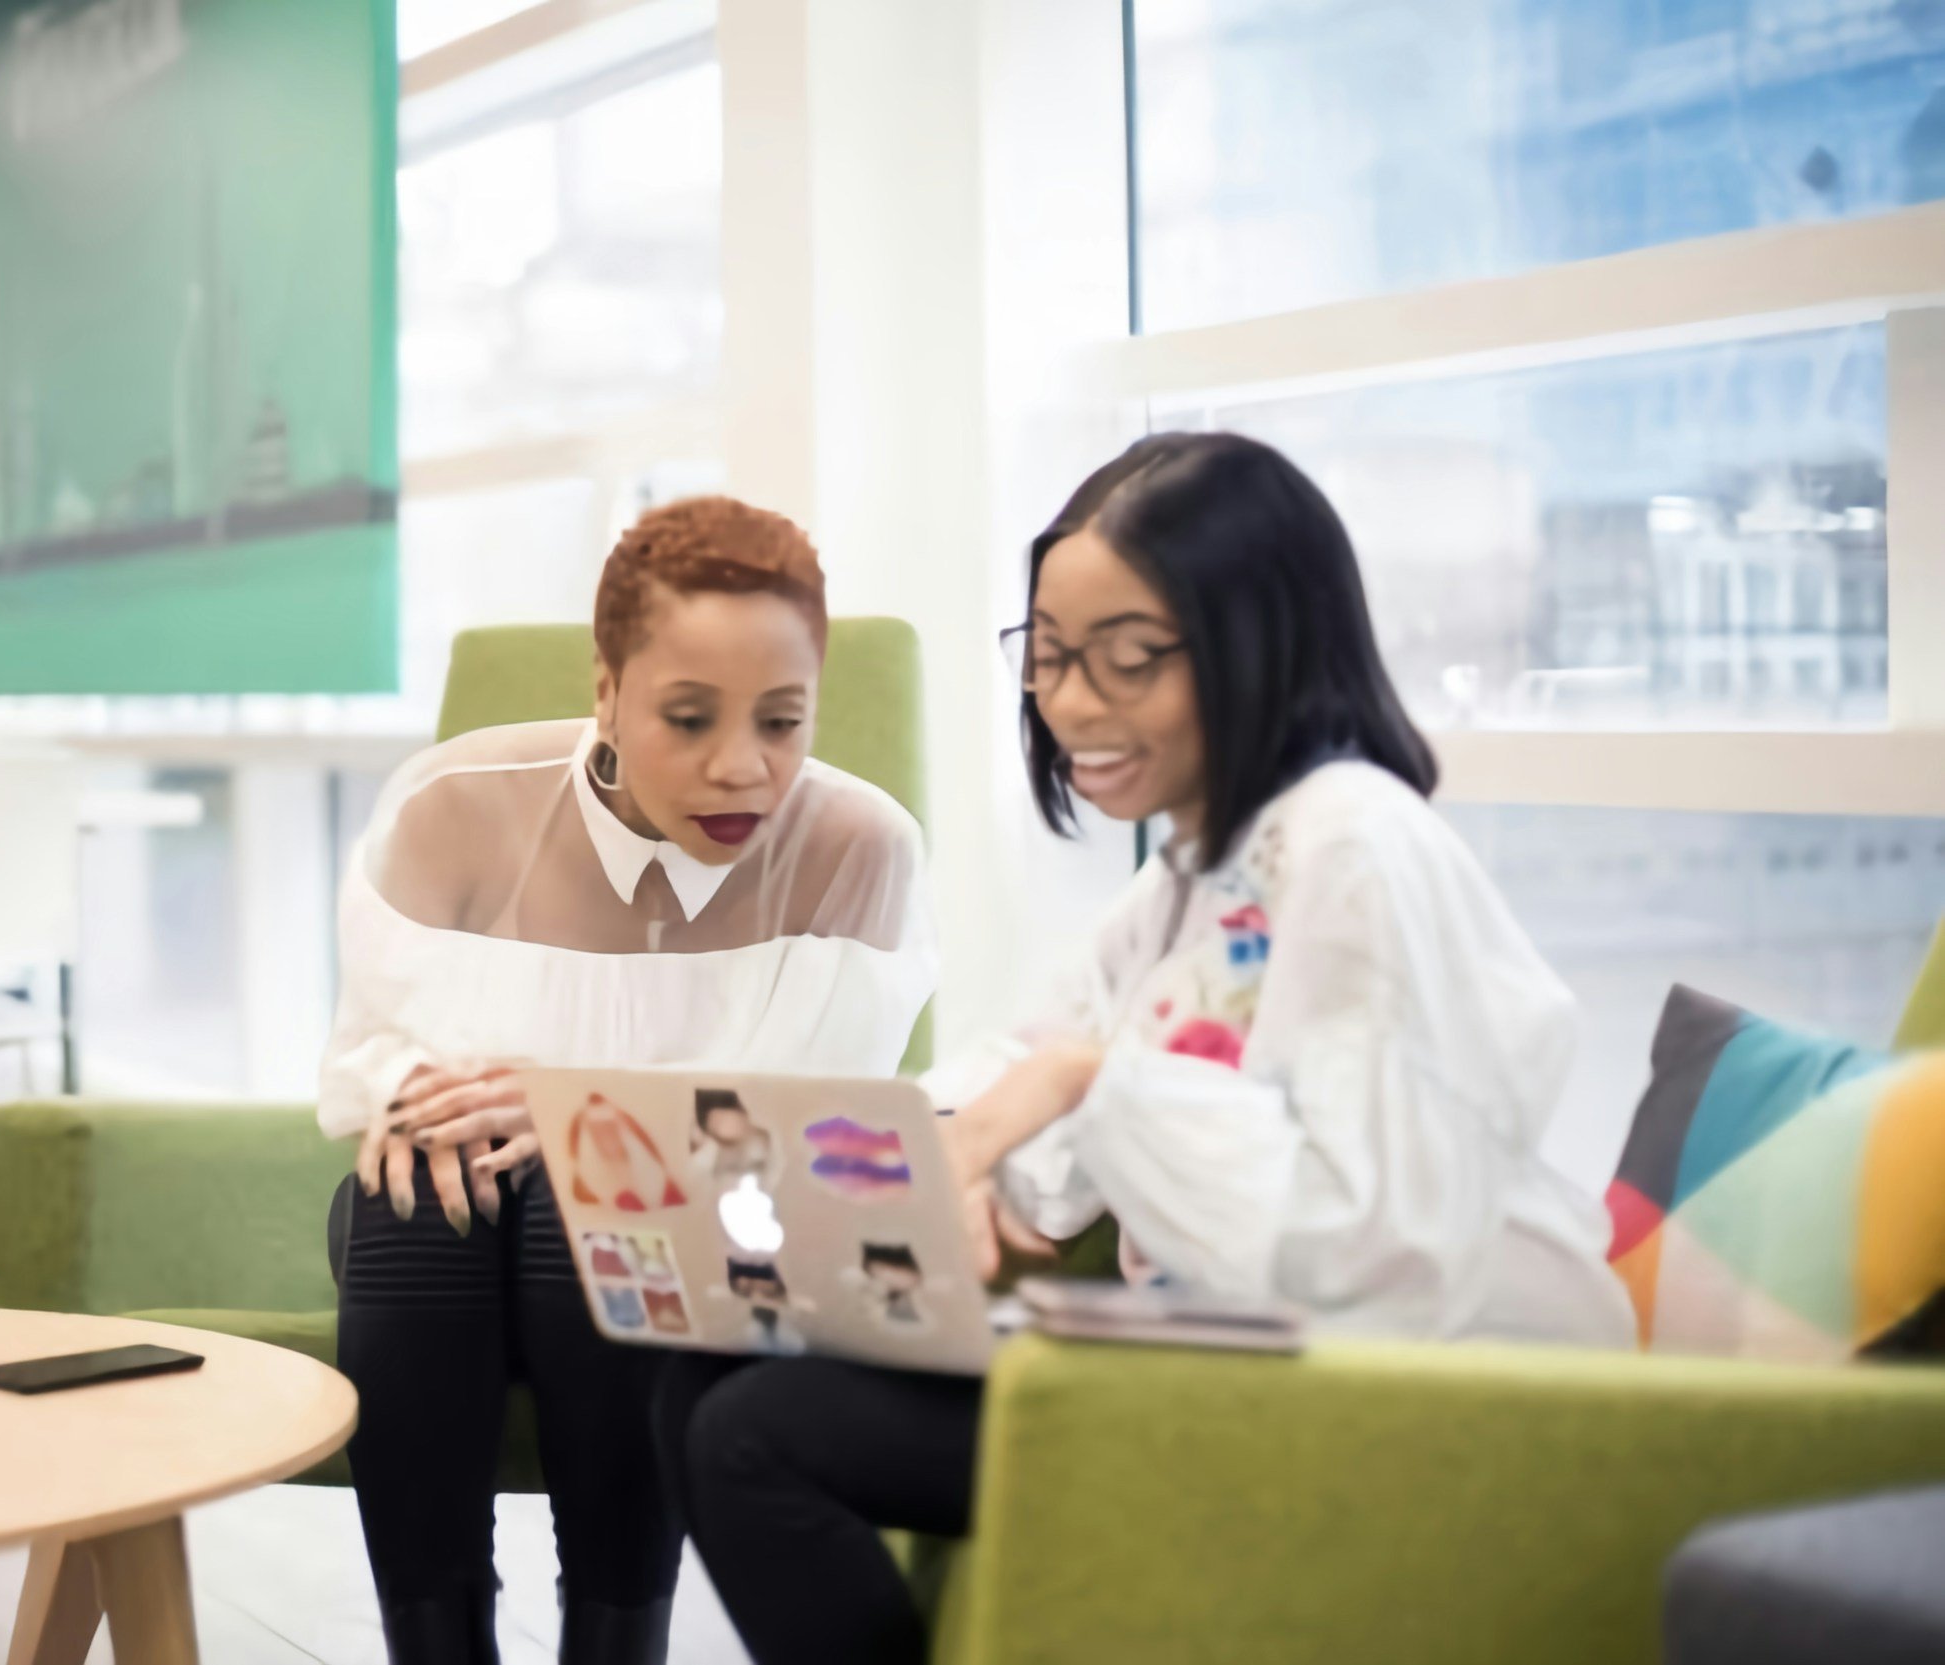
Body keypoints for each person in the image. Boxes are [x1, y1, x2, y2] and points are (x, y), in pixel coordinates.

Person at [652, 433, 1635, 1665]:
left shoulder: (1355, 850)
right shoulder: (1193, 875)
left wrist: (1080, 1088)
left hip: (1412, 1396)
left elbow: (1374, 1246)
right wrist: (890, 1162)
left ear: (1257, 641)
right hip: (1237, 1359)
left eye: (1124, 661)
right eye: (1050, 657)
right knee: (703, 1372)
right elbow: (1027, 1068)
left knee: (757, 1435)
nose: (1069, 703)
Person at [320, 495, 936, 1664]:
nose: (741, 768)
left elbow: (810, 1138)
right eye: (689, 718)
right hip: (448, 1259)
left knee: (595, 1190)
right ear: (604, 688)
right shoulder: (453, 804)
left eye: (782, 720)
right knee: (420, 1190)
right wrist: (425, 1098)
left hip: (698, 1239)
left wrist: (573, 1113)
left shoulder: (861, 848)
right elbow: (373, 1062)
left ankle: (614, 1646)